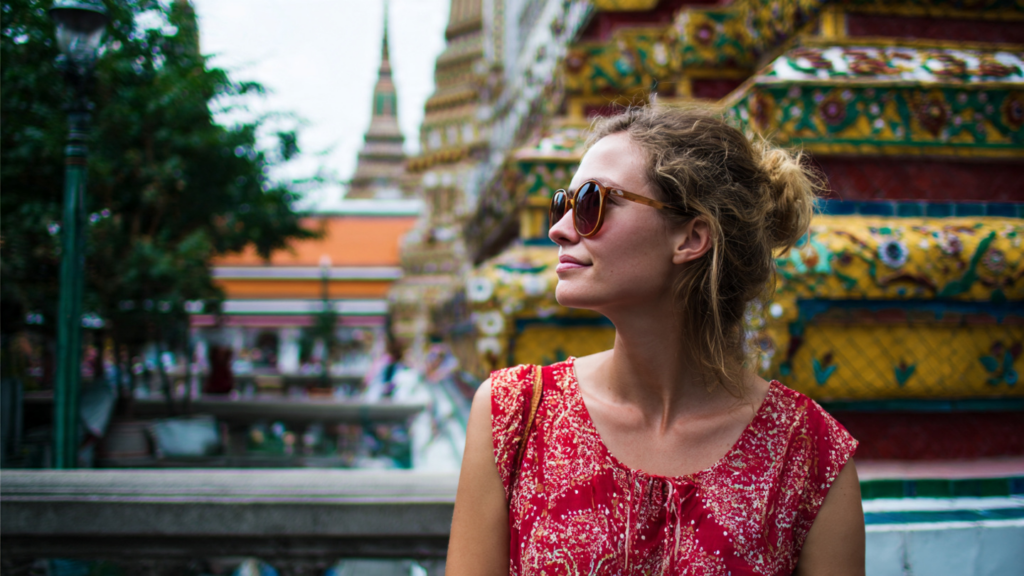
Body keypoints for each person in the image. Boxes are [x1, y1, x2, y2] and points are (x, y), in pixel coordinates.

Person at [447, 106, 864, 575]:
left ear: (691, 238)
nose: (558, 229)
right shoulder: (514, 414)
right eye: (562, 204)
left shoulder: (809, 455)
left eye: (592, 202)